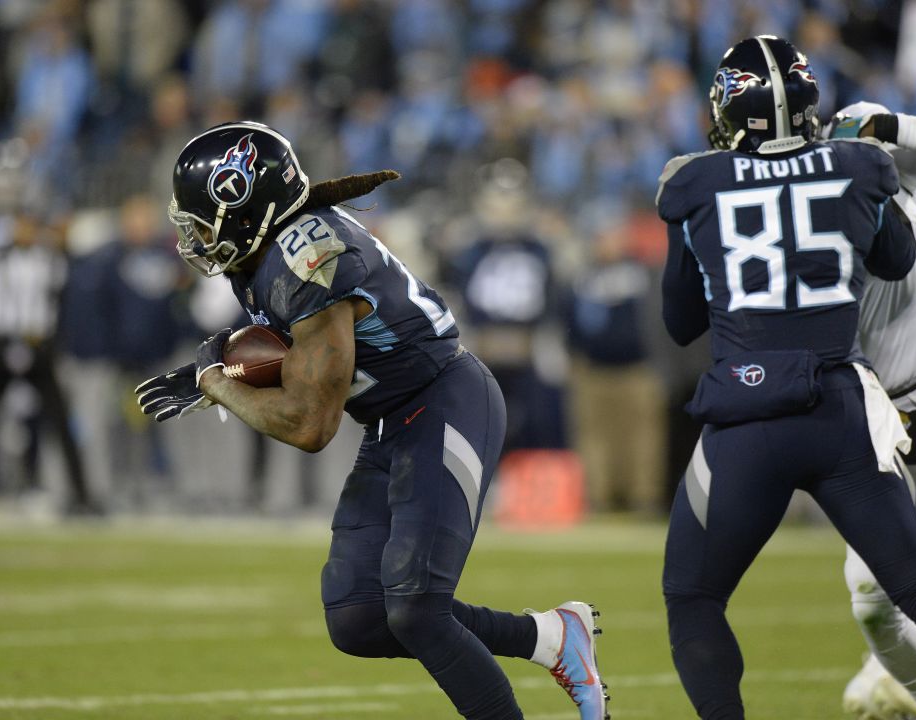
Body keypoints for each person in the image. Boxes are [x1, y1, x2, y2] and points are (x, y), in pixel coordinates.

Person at [135, 122, 608, 720]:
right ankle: (550, 638)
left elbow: (311, 427)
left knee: (416, 608)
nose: (195, 237)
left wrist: (220, 385)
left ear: (243, 205)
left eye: (203, 220)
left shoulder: (310, 262)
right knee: (359, 616)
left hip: (444, 402)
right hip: (393, 421)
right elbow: (301, 354)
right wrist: (226, 360)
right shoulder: (270, 252)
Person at [654, 36, 916, 719]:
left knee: (695, 598)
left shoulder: (694, 181)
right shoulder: (855, 166)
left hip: (746, 421)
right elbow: (895, 259)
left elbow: (679, 322)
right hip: (841, 413)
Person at [825, 29, 916, 720]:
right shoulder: (753, 208)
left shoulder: (861, 150)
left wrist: (885, 125)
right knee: (872, 600)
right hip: (894, 415)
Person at [0, 207, 100, 518]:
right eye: (22, 225)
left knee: (63, 425)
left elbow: (61, 306)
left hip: (38, 350)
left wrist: (52, 346)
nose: (26, 231)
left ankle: (83, 497)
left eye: (31, 225)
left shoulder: (50, 261)